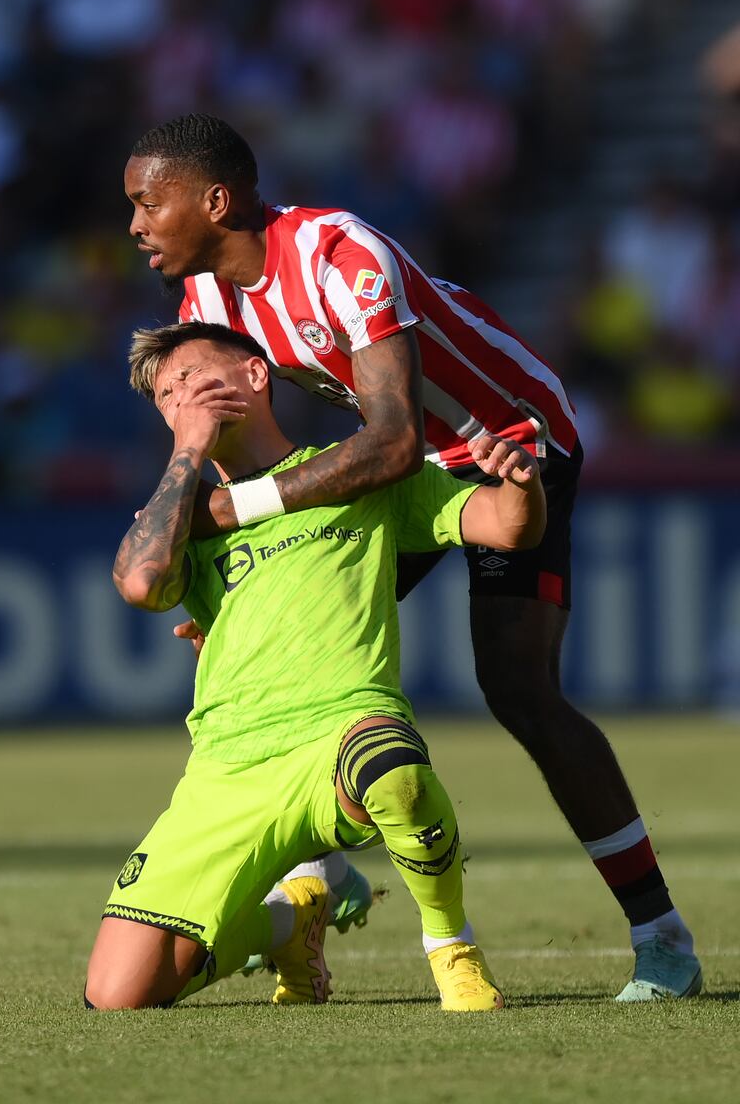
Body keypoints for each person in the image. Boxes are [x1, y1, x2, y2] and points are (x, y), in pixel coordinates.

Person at [123, 113, 702, 1003]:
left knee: (518, 687)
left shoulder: (337, 253)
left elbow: (392, 443)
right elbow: (294, 442)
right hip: (392, 465)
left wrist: (237, 512)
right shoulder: (205, 308)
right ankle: (324, 866)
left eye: (146, 202)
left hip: (507, 444)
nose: (135, 225)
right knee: (281, 659)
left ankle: (662, 936)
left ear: (215, 199)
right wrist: (243, 590)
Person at [85, 319, 547, 1011]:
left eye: (190, 378)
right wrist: (187, 452)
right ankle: (291, 921)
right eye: (164, 395)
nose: (178, 397)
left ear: (254, 375)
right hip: (228, 768)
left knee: (395, 772)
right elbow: (142, 584)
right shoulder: (182, 514)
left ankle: (451, 946)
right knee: (119, 994)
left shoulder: (363, 471)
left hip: (340, 731)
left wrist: (519, 478)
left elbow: (509, 527)